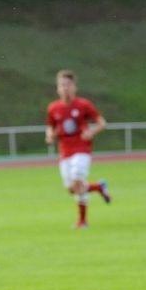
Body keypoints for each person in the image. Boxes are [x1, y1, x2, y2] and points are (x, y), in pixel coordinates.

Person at [45, 69, 111, 229]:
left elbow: (102, 123)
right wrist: (50, 136)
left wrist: (91, 132)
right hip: (65, 151)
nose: (65, 88)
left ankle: (83, 221)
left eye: (68, 84)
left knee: (77, 182)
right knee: (72, 189)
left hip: (82, 150)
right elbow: (51, 127)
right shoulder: (53, 108)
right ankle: (99, 187)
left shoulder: (83, 105)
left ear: (75, 87)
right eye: (62, 85)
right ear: (57, 89)